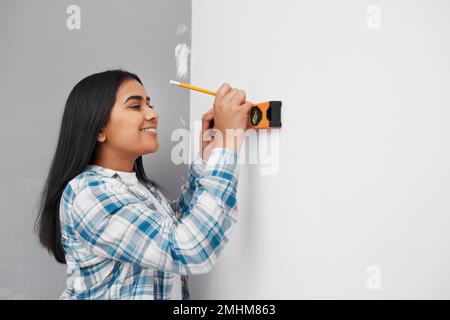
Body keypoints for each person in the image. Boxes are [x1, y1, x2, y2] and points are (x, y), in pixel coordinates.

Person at [34, 69, 252, 299]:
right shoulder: (88, 193)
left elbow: (179, 225)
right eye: (136, 106)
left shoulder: (140, 190)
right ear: (98, 130)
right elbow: (189, 250)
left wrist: (208, 158)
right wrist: (229, 143)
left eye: (149, 104)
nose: (153, 113)